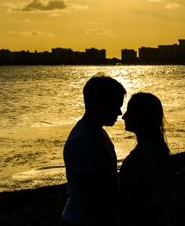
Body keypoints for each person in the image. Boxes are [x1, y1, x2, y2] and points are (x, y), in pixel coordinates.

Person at [61, 74, 127, 226]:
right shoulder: (85, 138)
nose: (119, 113)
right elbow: (91, 193)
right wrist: (130, 207)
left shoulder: (95, 132)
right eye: (115, 106)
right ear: (98, 103)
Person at [119, 92, 171, 226]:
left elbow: (161, 192)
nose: (124, 116)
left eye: (130, 111)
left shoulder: (149, 152)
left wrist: (143, 217)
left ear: (142, 116)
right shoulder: (147, 149)